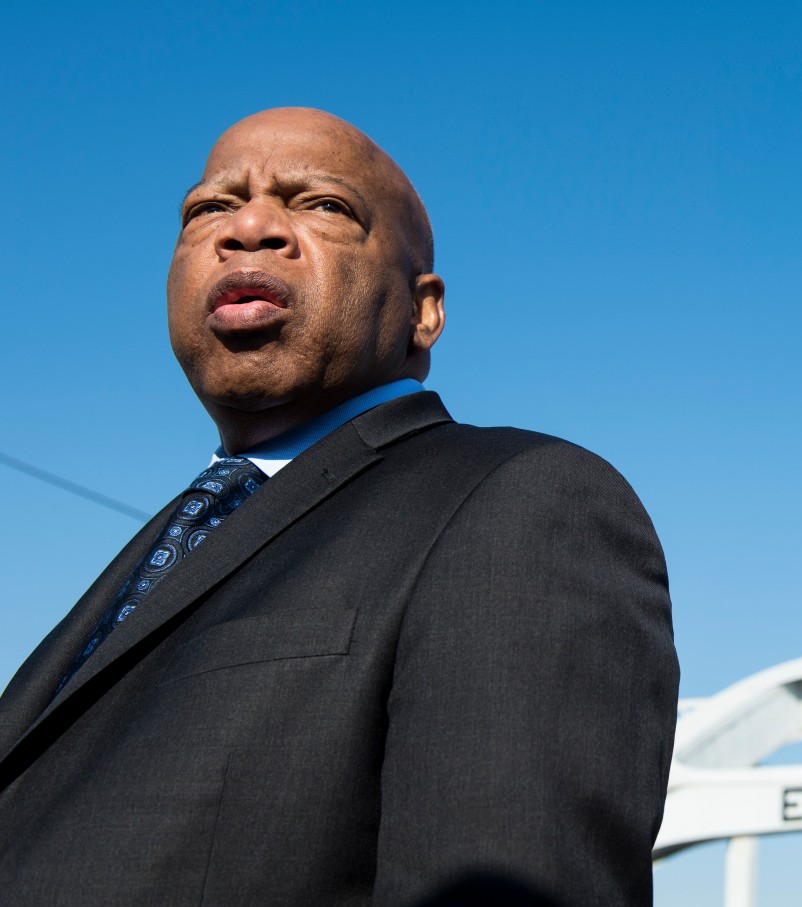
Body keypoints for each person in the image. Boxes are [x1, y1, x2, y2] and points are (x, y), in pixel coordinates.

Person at [0, 108, 679, 906]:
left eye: (321, 205)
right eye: (208, 209)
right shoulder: (171, 543)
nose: (249, 225)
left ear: (424, 312)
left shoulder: (520, 502)